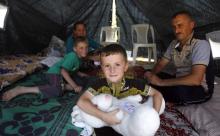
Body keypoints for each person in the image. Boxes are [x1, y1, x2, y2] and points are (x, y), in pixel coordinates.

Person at [77, 44, 164, 135]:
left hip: (128, 123)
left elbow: (157, 94)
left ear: (125, 66)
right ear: (102, 68)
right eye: (107, 66)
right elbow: (81, 101)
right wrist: (104, 116)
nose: (112, 70)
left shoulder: (135, 84)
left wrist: (154, 117)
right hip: (107, 122)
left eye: (117, 65)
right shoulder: (99, 84)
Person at [144, 10, 215, 105]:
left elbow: (196, 79)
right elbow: (161, 64)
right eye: (174, 27)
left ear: (191, 25)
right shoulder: (174, 43)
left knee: (178, 91)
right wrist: (152, 75)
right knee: (148, 73)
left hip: (199, 88)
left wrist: (160, 82)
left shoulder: (200, 44)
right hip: (180, 80)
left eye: (180, 25)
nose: (176, 31)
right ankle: (157, 92)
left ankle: (158, 94)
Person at [2, 36, 90, 101]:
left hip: (62, 76)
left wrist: (79, 73)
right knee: (57, 90)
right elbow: (63, 71)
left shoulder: (80, 58)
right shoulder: (72, 56)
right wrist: (74, 86)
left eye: (86, 47)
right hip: (54, 73)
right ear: (75, 49)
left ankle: (63, 85)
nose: (84, 50)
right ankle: (22, 89)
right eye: (81, 48)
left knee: (83, 82)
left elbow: (72, 68)